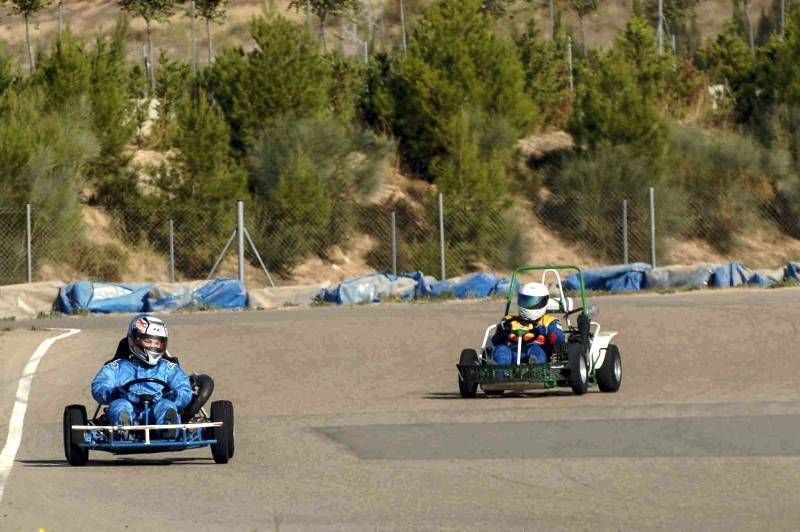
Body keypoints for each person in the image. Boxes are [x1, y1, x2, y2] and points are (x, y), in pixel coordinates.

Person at [91, 314, 192, 435]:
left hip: (157, 408)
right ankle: (123, 428)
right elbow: (99, 385)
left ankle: (168, 428)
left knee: (166, 405)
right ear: (134, 340)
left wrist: (175, 395)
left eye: (157, 343)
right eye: (148, 341)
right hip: (130, 409)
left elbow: (184, 387)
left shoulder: (168, 368)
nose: (153, 346)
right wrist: (112, 393)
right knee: (119, 405)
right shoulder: (116, 367)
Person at [491, 282, 565, 365]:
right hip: (513, 353)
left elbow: (560, 342)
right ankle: (498, 371)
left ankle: (534, 369)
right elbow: (495, 342)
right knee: (502, 349)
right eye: (525, 300)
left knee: (535, 349)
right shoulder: (509, 320)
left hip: (538, 352)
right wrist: (503, 332)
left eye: (532, 302)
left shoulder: (549, 322)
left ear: (543, 302)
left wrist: (547, 332)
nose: (529, 305)